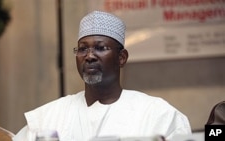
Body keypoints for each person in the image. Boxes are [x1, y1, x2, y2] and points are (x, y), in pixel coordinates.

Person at [13, 10, 191, 141]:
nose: (89, 56)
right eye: (83, 49)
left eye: (100, 48)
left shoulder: (157, 114)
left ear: (122, 58)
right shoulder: (49, 117)